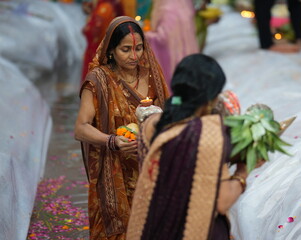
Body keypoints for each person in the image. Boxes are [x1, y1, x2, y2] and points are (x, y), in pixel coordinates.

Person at [126, 54, 250, 239]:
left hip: (158, 228)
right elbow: (222, 202)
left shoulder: (153, 123)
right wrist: (243, 170)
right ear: (210, 98)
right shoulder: (207, 134)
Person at [74, 16, 169, 239]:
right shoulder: (98, 80)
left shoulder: (152, 75)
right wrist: (112, 141)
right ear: (111, 50)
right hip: (114, 169)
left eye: (139, 48)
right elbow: (81, 128)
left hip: (150, 167)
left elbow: (169, 117)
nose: (134, 56)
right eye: (126, 49)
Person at [143, 0, 200, 91]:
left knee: (177, 92)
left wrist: (144, 36)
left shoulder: (168, 9)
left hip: (174, 61)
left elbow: (162, 38)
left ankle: (177, 102)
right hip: (187, 59)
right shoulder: (179, 3)